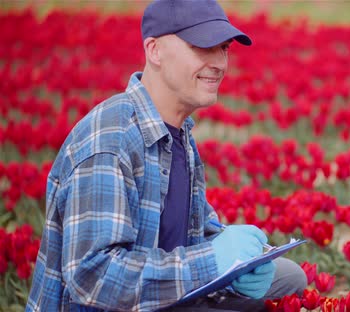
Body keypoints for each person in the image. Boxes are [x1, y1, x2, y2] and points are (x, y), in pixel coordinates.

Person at [25, 0, 307, 311]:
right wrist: (210, 262)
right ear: (154, 50)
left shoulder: (178, 132)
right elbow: (94, 278)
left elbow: (191, 232)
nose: (219, 63)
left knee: (289, 278)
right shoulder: (111, 139)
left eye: (224, 48)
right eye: (203, 47)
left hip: (161, 291)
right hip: (106, 305)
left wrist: (246, 257)